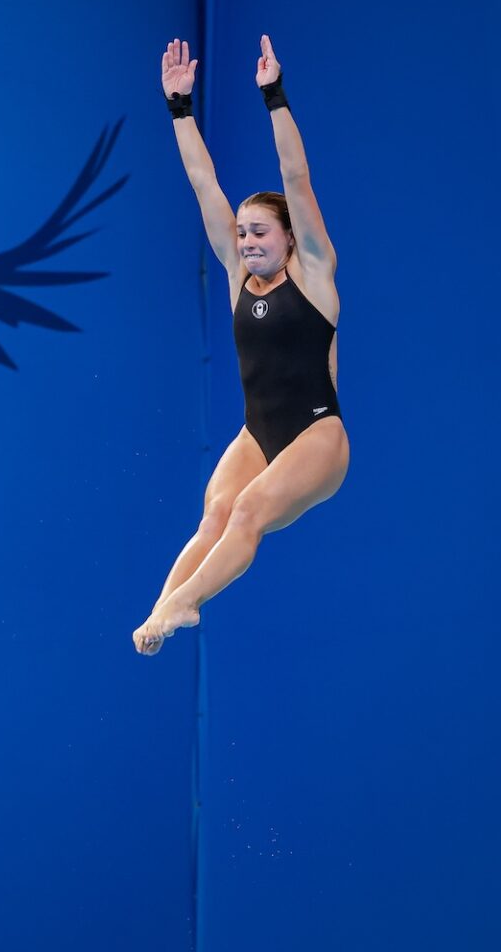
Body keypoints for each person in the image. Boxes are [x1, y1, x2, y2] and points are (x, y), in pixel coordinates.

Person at [133, 35, 348, 656]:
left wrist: (273, 96)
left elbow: (297, 179)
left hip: (318, 436)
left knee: (249, 510)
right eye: (243, 233)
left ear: (289, 238)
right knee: (216, 513)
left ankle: (184, 604)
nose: (247, 241)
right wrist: (179, 109)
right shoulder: (237, 277)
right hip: (259, 433)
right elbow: (203, 184)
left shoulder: (314, 273)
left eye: (259, 233)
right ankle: (162, 612)